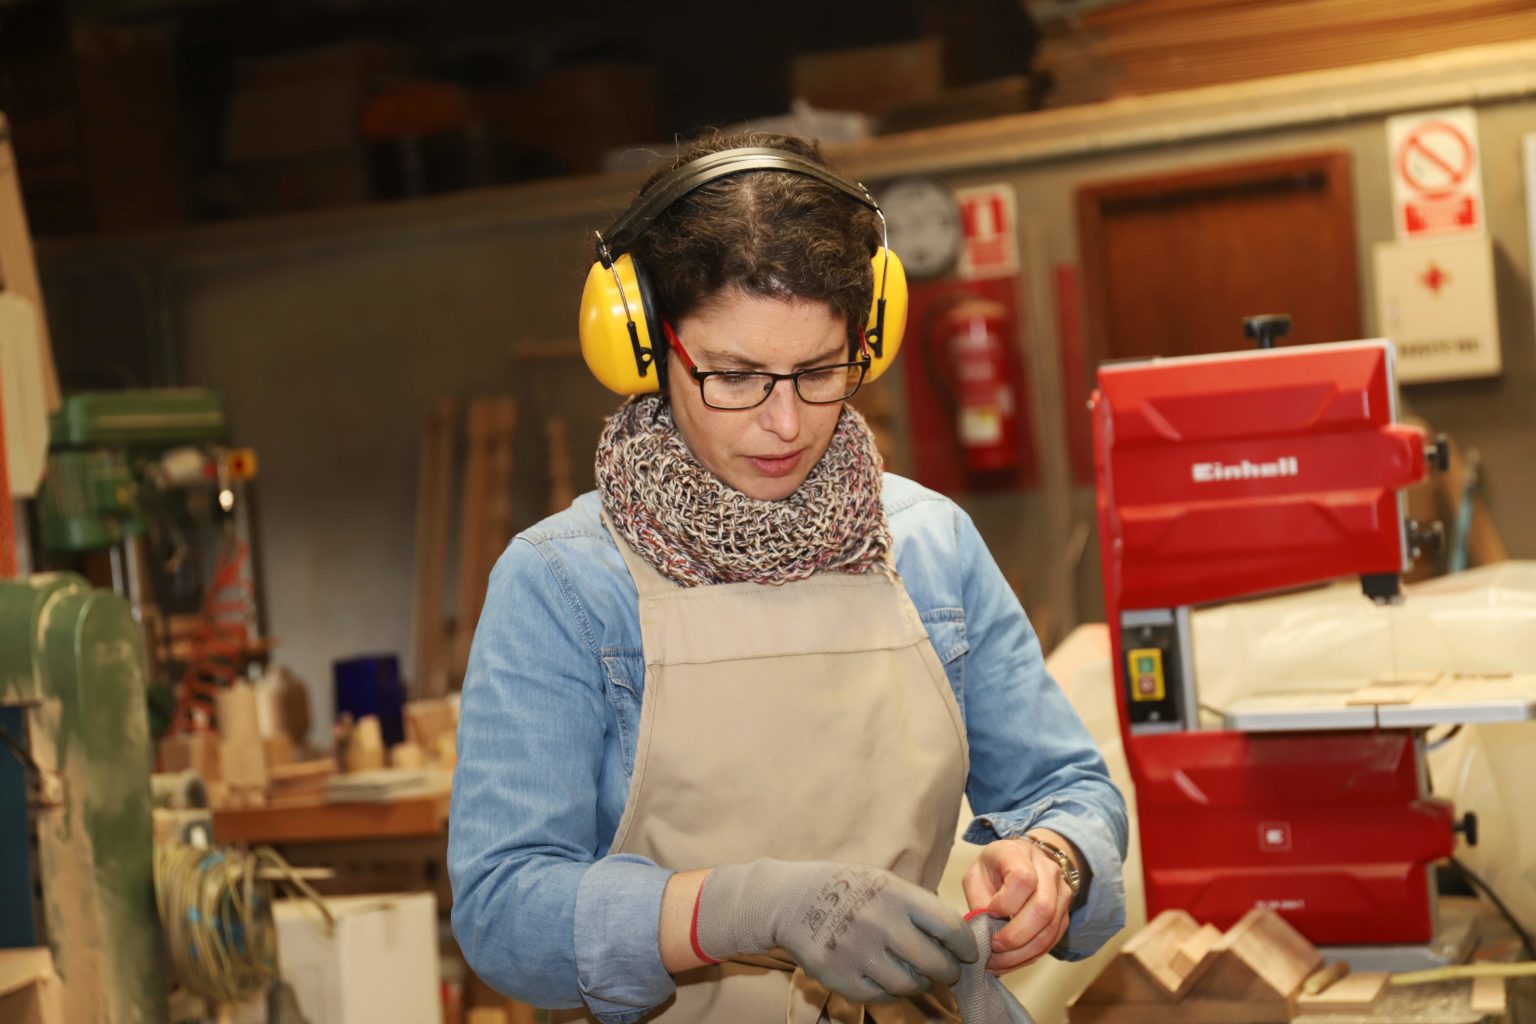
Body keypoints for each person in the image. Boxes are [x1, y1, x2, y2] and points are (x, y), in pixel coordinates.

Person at [448, 131, 1127, 1024]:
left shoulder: (929, 547)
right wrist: (747, 908)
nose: (783, 423)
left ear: (867, 341)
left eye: (817, 371)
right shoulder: (564, 585)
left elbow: (1071, 789)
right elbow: (504, 912)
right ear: (647, 349)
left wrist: (1052, 863)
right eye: (734, 376)